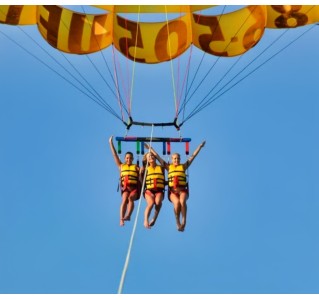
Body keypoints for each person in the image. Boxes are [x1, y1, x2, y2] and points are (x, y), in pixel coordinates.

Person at [145, 140, 206, 232]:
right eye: (174, 159)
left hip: (183, 190)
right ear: (172, 159)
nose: (176, 160)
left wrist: (199, 147)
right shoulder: (168, 167)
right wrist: (150, 148)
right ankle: (177, 221)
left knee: (182, 201)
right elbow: (157, 156)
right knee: (177, 203)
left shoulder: (184, 166)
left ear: (180, 159)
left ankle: (184, 220)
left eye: (178, 158)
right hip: (172, 191)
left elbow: (193, 156)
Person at [109, 136, 140, 226]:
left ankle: (128, 215)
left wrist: (141, 170)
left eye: (130, 158)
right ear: (125, 158)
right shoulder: (121, 166)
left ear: (133, 159)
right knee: (124, 200)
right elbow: (114, 155)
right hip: (125, 188)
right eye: (127, 158)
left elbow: (142, 170)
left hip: (134, 188)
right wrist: (111, 143)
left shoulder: (136, 167)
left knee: (130, 199)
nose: (128, 159)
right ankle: (121, 219)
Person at [140, 152, 165, 229]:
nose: (151, 157)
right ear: (146, 159)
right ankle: (146, 220)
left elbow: (159, 158)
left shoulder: (161, 167)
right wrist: (140, 173)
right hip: (149, 190)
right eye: (149, 156)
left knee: (158, 203)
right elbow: (141, 181)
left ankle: (154, 218)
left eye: (152, 155)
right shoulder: (144, 169)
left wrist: (150, 149)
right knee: (150, 203)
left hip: (159, 190)